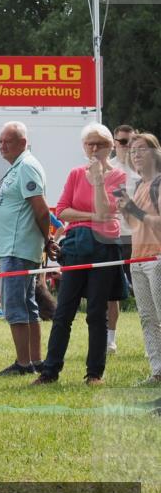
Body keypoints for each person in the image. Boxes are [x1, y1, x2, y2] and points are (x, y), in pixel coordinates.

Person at [34, 124, 128, 386]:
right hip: (76, 247)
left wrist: (98, 181)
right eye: (90, 144)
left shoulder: (119, 177)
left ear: (110, 147)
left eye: (100, 144)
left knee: (97, 312)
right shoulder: (75, 173)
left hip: (105, 246)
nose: (95, 149)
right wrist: (89, 216)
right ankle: (49, 371)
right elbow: (62, 210)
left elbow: (108, 210)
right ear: (84, 147)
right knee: (64, 311)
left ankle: (94, 373)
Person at [0, 121, 52, 376]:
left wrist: (47, 239)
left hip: (18, 248)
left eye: (7, 141)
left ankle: (24, 364)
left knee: (15, 305)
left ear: (22, 143)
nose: (2, 146)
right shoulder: (18, 167)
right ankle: (34, 360)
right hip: (13, 248)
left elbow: (41, 210)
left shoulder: (27, 167)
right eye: (0, 141)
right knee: (27, 303)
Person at [116, 132, 161, 385]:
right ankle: (157, 371)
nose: (136, 155)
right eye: (133, 151)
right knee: (147, 317)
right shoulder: (142, 185)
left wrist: (135, 210)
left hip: (157, 258)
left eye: (142, 149)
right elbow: (135, 224)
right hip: (138, 259)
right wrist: (127, 209)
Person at [107, 124, 138, 354]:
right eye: (123, 142)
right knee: (112, 291)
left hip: (141, 238)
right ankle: (110, 340)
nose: (127, 147)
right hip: (115, 236)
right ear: (115, 143)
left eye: (131, 141)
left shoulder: (146, 170)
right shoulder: (108, 168)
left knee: (149, 292)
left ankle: (152, 342)